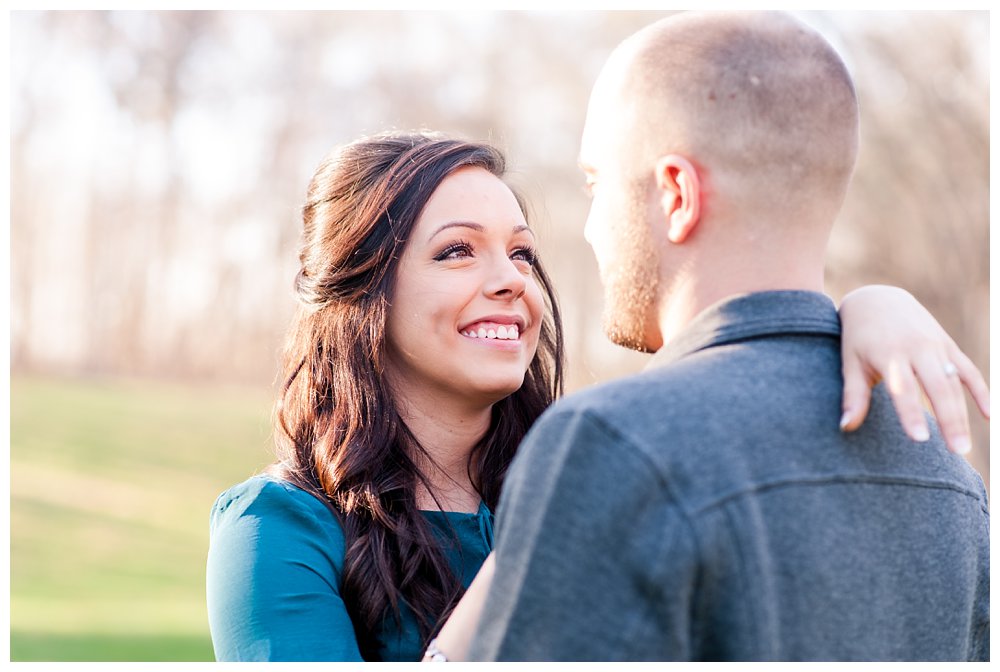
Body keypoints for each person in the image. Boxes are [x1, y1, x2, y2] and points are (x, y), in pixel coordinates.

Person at [206, 127, 987, 661]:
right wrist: (543, 530)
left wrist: (867, 304)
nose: (511, 279)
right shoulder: (276, 531)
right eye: (456, 252)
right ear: (360, 292)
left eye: (520, 251)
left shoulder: (610, 479)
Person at [462, 11, 990, 662]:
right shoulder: (954, 483)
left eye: (597, 184)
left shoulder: (611, 443)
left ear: (677, 194)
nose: (590, 227)